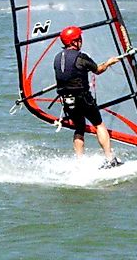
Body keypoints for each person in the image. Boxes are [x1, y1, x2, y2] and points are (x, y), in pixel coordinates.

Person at [53, 25, 123, 168]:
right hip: (82, 98)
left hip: (66, 100)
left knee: (79, 128)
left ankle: (79, 163)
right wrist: (109, 62)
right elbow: (98, 70)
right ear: (74, 41)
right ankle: (110, 159)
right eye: (79, 39)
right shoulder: (80, 57)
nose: (81, 41)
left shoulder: (57, 58)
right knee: (99, 124)